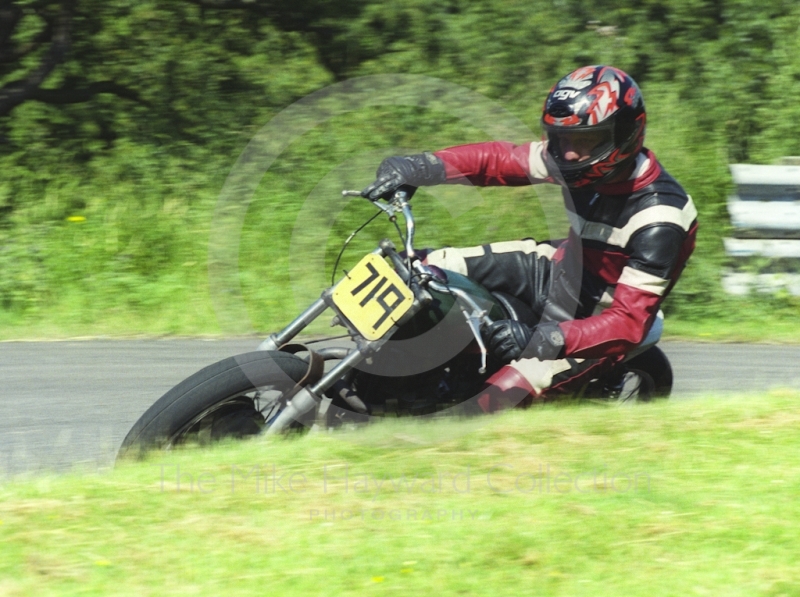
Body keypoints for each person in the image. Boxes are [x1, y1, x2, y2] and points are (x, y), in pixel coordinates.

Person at [361, 65, 697, 411]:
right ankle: (386, 363)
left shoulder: (661, 218)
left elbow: (628, 322)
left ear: (626, 133)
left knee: (485, 403)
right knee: (413, 269)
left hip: (599, 320)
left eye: (583, 141)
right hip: (553, 270)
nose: (568, 153)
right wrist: (417, 167)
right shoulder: (573, 160)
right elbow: (497, 161)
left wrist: (546, 338)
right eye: (562, 139)